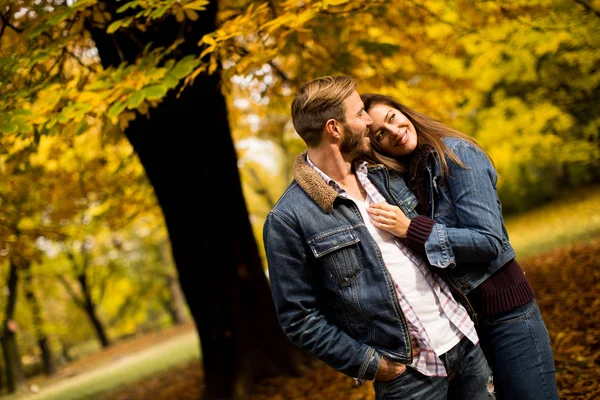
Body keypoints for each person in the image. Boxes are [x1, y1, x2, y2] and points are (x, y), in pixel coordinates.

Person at [263, 75, 494, 400]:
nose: (369, 121)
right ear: (334, 128)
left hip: (463, 342)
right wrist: (373, 364)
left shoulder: (383, 173)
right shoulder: (289, 219)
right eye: (359, 113)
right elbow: (298, 317)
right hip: (409, 376)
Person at [360, 93, 559, 400]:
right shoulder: (408, 178)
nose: (393, 132)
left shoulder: (456, 155)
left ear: (404, 112)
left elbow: (489, 241)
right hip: (465, 329)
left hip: (508, 316)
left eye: (392, 118)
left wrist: (411, 228)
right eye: (380, 135)